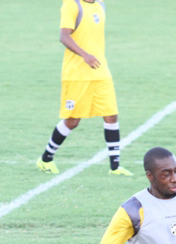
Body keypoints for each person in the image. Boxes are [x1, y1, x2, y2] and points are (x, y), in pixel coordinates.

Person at [36, 0, 133, 176]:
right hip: (77, 75)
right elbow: (64, 36)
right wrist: (85, 55)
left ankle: (115, 167)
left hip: (100, 71)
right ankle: (45, 159)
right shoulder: (72, 5)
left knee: (111, 115)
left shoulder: (100, 5)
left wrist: (92, 57)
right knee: (72, 120)